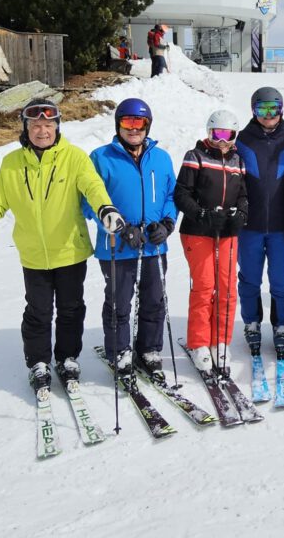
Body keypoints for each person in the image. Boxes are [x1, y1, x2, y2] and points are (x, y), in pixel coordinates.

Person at [0, 98, 123, 391]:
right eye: (35, 125)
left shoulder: (75, 158)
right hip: (34, 255)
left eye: (48, 125)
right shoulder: (12, 164)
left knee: (71, 309)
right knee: (38, 311)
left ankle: (67, 358)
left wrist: (105, 209)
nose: (42, 131)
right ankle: (38, 363)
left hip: (70, 251)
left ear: (57, 127)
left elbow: (93, 187)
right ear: (26, 128)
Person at [85, 98, 178, 381]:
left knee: (154, 301)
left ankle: (149, 349)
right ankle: (120, 352)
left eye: (139, 122)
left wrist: (167, 223)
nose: (133, 128)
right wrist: (120, 227)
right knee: (119, 304)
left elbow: (171, 195)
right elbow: (89, 202)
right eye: (127, 122)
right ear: (118, 125)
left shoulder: (161, 158)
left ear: (148, 125)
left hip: (153, 245)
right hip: (118, 246)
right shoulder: (100, 158)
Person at [175, 109, 248, 374]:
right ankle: (199, 343)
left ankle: (220, 341)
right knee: (205, 287)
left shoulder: (238, 161)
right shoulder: (195, 157)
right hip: (198, 231)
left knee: (227, 289)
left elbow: (243, 196)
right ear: (209, 133)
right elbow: (181, 194)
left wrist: (241, 214)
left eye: (227, 134)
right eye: (217, 134)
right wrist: (202, 214)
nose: (222, 141)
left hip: (227, 232)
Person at [235, 87, 284, 364]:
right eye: (261, 109)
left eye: (273, 108)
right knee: (250, 278)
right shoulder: (242, 140)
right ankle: (251, 322)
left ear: (281, 109)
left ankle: (281, 324)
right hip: (249, 226)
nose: (268, 115)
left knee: (280, 278)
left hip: (281, 226)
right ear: (253, 111)